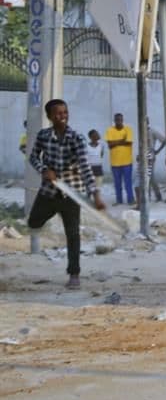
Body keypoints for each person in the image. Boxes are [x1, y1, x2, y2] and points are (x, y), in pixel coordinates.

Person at [27, 99, 105, 289]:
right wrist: (45, 170)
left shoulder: (76, 138)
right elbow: (33, 157)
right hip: (49, 191)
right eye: (57, 113)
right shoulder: (44, 136)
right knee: (33, 222)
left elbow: (85, 168)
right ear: (49, 117)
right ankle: (54, 212)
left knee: (73, 234)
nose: (62, 116)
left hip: (71, 192)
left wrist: (94, 193)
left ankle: (74, 274)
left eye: (65, 112)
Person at [105, 113, 134, 205]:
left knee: (128, 183)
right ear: (114, 120)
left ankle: (130, 199)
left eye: (120, 119)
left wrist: (115, 143)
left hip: (127, 162)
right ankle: (119, 200)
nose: (119, 121)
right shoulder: (110, 130)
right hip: (115, 163)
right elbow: (110, 145)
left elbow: (129, 143)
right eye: (117, 120)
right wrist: (122, 141)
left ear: (122, 120)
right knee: (117, 184)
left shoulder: (128, 129)